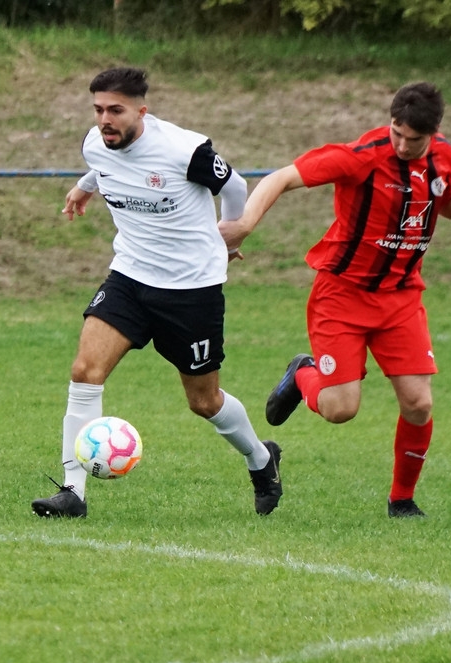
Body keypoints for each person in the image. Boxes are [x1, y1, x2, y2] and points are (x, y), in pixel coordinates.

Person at [219, 82, 451, 518]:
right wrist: (244, 225)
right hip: (342, 295)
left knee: (419, 403)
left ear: (433, 132)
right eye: (396, 132)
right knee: (341, 410)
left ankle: (402, 500)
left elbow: (448, 205)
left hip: (401, 297)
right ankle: (303, 374)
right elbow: (282, 177)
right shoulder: (360, 155)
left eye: (412, 139)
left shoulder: (443, 157)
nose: (401, 144)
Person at [31, 67, 282, 518]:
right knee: (85, 371)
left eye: (116, 111)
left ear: (141, 111)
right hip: (129, 277)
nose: (105, 119)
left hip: (191, 290)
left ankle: (261, 459)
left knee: (204, 401)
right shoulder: (96, 141)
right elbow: (102, 163)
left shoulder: (184, 149)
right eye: (98, 109)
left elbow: (237, 186)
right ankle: (73, 491)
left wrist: (232, 236)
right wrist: (84, 186)